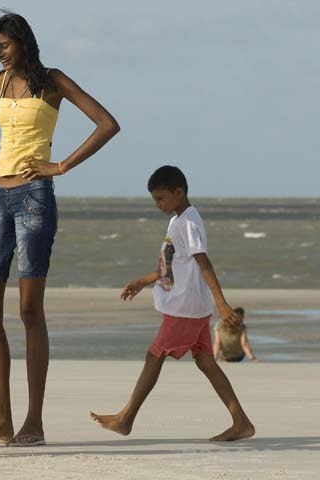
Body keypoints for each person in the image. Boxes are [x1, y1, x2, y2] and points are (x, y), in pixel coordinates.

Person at [0, 11, 120, 447]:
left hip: (34, 197)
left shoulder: (53, 81)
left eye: (5, 45)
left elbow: (107, 124)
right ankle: (1, 419)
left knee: (30, 311)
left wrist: (60, 165)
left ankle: (33, 422)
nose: (0, 53)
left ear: (24, 42)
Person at [90, 166, 255, 442]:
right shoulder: (178, 220)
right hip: (192, 307)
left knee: (155, 355)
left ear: (179, 192)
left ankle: (125, 419)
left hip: (184, 308)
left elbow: (203, 262)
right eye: (155, 200)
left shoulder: (188, 223)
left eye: (161, 198)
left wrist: (222, 304)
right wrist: (143, 281)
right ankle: (241, 422)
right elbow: (171, 264)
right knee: (205, 361)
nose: (158, 205)